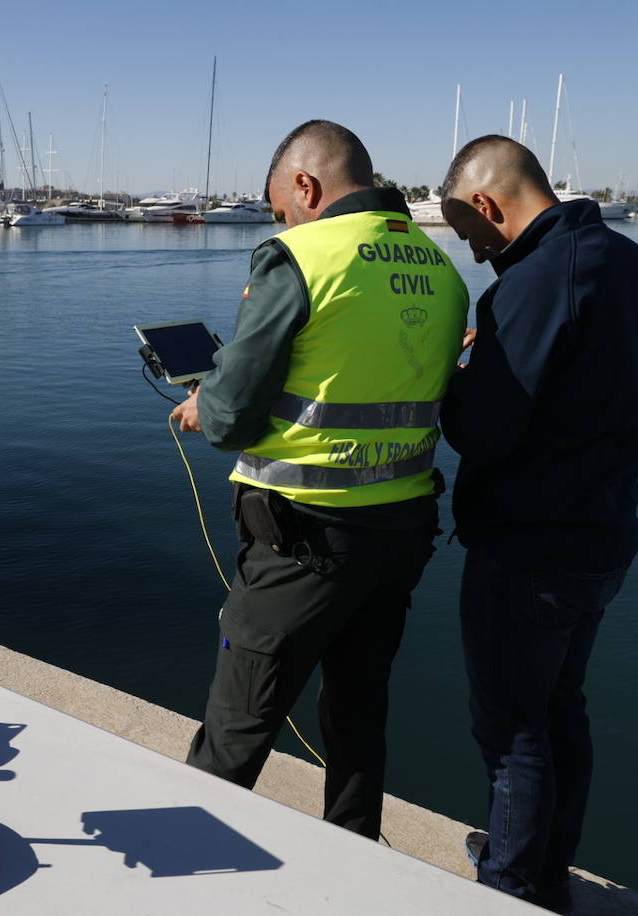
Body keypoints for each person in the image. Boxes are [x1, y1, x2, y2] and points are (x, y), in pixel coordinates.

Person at [172, 120, 468, 839]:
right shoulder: (440, 267)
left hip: (304, 541)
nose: (284, 219)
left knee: (237, 726)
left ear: (305, 185)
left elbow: (231, 417)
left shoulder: (302, 257)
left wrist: (201, 402)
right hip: (400, 535)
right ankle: (355, 850)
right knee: (358, 714)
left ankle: (187, 862)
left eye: (282, 206)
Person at [437, 135, 638, 911]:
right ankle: (546, 868)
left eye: (469, 234)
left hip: (529, 544)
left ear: (486, 203)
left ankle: (509, 889)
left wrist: (459, 378)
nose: (473, 254)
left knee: (510, 731)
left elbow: (485, 429)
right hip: (606, 535)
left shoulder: (534, 284)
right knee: (561, 710)